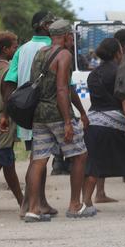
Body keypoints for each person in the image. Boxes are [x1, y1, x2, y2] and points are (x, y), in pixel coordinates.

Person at [27, 19, 91, 222]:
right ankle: (75, 205)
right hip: (57, 114)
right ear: (66, 36)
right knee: (79, 155)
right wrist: (67, 122)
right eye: (71, 36)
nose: (72, 40)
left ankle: (33, 209)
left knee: (39, 160)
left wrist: (81, 110)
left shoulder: (40, 54)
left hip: (39, 114)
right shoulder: (64, 55)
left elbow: (68, 88)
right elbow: (63, 89)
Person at [1, 11, 58, 218]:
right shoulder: (54, 49)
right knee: (39, 159)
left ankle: (38, 203)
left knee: (38, 157)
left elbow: (9, 81)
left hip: (25, 112)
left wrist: (7, 113)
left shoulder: (22, 49)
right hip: (45, 110)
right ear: (44, 26)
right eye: (52, 22)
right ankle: (30, 205)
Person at [81, 38, 125, 213]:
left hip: (94, 124)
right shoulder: (120, 72)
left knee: (93, 165)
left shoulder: (92, 74)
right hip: (117, 124)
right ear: (118, 53)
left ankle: (86, 203)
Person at [0, 32, 24, 217]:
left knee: (8, 163)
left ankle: (22, 201)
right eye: (14, 47)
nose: (16, 50)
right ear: (5, 49)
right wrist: (5, 118)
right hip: (3, 121)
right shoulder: (9, 70)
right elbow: (8, 98)